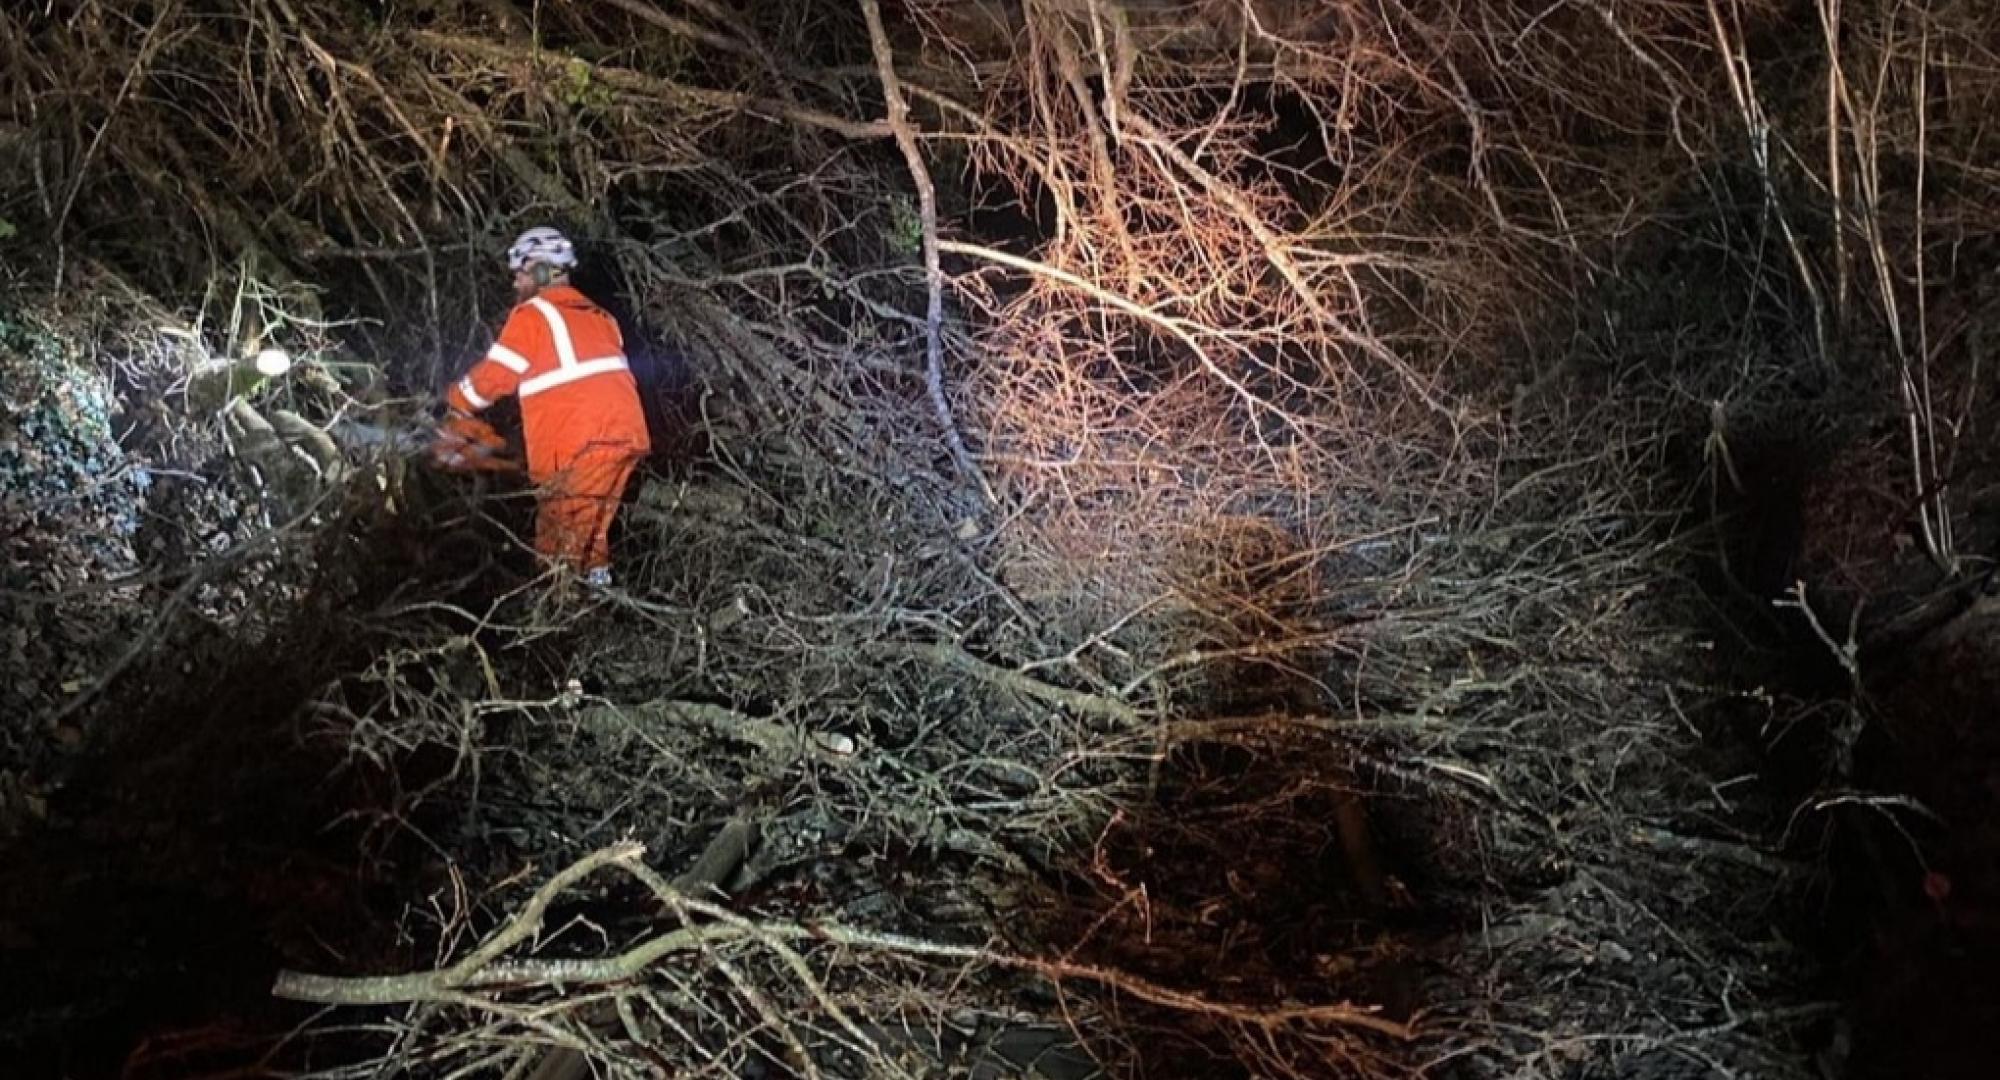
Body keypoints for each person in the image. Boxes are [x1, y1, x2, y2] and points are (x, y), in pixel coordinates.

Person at [436, 227, 650, 586]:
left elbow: (495, 377)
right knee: (592, 540)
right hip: (624, 437)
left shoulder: (535, 314)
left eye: (521, 273)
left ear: (539, 271)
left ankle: (559, 624)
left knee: (557, 548)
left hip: (582, 446)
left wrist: (454, 402)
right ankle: (600, 605)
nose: (516, 283)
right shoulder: (599, 316)